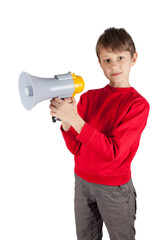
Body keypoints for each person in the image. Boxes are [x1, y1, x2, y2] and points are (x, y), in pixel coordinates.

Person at [49, 27, 150, 240]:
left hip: (114, 189)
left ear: (134, 59)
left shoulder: (138, 105)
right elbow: (76, 148)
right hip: (82, 182)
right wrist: (66, 121)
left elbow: (113, 153)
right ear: (100, 63)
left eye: (120, 57)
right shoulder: (89, 98)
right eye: (107, 60)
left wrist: (75, 119)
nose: (114, 65)